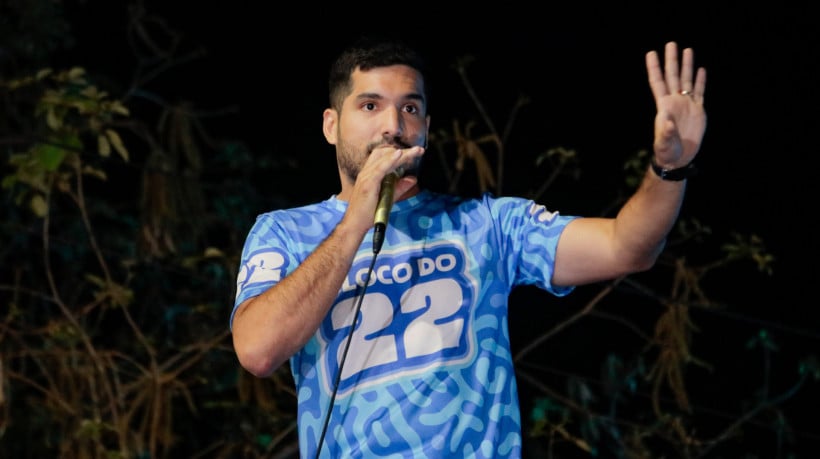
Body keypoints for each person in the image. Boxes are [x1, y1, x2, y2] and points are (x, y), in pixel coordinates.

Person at [230, 35, 706, 458]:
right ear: (331, 126)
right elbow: (257, 350)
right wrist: (358, 217)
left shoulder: (487, 224)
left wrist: (670, 169)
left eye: (410, 108)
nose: (393, 125)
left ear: (426, 126)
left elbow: (629, 246)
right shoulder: (284, 233)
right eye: (370, 106)